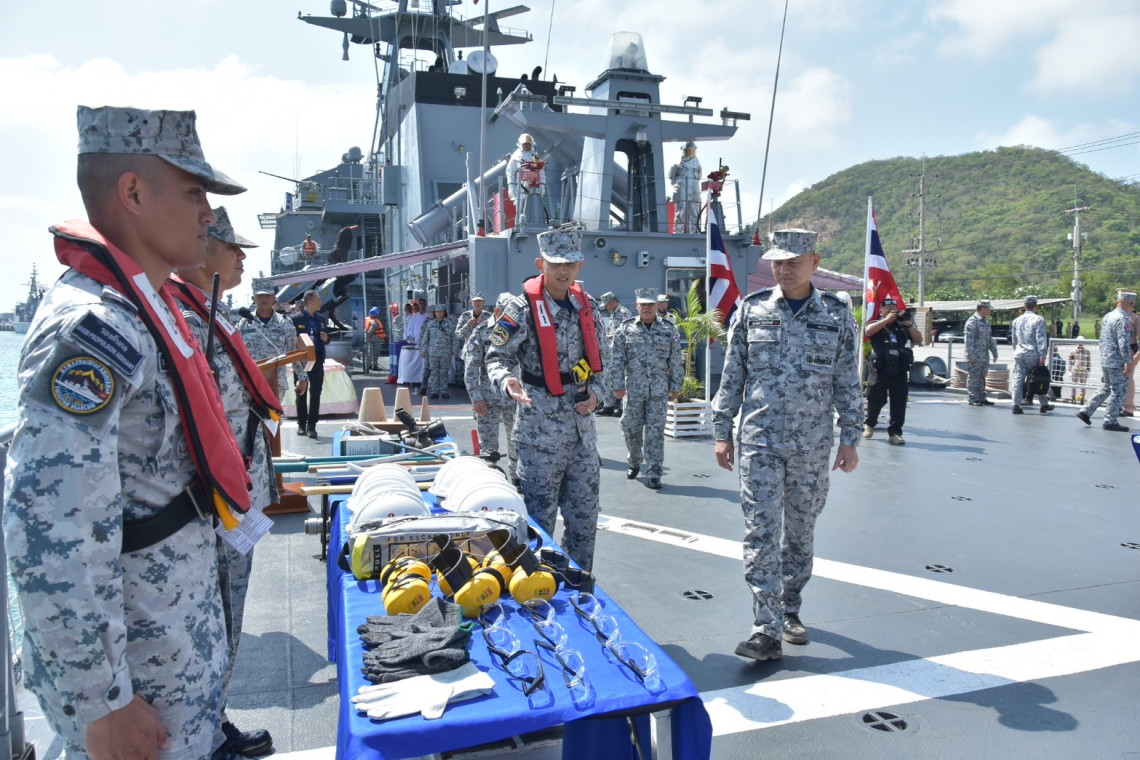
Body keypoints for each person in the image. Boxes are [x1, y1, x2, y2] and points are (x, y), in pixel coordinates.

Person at [3, 105, 253, 760]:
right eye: (194, 193)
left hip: (171, 645)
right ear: (134, 193)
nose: (209, 214)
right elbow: (51, 528)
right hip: (136, 680)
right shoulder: (94, 331)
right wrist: (100, 702)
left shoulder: (147, 310)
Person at [712, 228, 861, 662]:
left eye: (794, 262)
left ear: (814, 262)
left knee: (799, 532)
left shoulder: (837, 315)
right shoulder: (752, 309)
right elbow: (733, 374)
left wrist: (851, 438)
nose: (784, 269)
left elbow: (847, 381)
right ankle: (765, 627)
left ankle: (790, 608)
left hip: (812, 446)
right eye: (778, 262)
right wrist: (722, 431)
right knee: (760, 531)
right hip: (759, 440)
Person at [171, 207, 280, 758]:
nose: (241, 257)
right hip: (214, 507)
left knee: (226, 616)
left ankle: (213, 721)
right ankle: (208, 733)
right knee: (216, 619)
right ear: (201, 249)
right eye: (232, 247)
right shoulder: (186, 322)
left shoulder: (212, 316)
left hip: (236, 498)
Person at [485, 223, 607, 571]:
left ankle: (579, 584)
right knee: (539, 523)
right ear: (542, 265)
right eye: (555, 263)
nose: (563, 270)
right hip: (539, 433)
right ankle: (537, 587)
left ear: (579, 266)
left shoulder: (587, 306)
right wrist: (508, 381)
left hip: (582, 433)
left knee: (584, 521)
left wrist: (598, 393)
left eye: (570, 263)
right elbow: (495, 357)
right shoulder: (520, 308)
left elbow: (604, 359)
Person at [610, 287, 683, 489]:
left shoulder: (668, 329)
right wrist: (616, 385)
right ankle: (634, 460)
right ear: (637, 306)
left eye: (650, 304)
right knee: (630, 428)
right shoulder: (625, 329)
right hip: (633, 391)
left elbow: (675, 360)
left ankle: (654, 471)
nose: (647, 308)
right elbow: (616, 360)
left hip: (658, 391)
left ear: (657, 306)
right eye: (643, 304)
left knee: (655, 432)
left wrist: (676, 385)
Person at [463, 292, 518, 481]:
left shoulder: (520, 330)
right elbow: (470, 368)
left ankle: (517, 478)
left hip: (515, 398)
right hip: (488, 399)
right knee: (488, 446)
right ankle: (491, 480)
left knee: (518, 440)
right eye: (507, 313)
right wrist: (476, 397)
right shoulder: (481, 332)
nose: (512, 318)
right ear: (497, 311)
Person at [863, 297, 923, 444]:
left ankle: (895, 433)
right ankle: (870, 424)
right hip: (881, 370)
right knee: (875, 400)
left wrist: (908, 325)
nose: (892, 313)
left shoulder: (902, 326)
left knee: (899, 403)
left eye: (894, 311)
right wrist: (886, 320)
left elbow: (919, 339)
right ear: (881, 311)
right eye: (888, 310)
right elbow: (868, 332)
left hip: (899, 370)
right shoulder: (877, 324)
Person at [239, 279, 308, 399]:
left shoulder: (285, 323)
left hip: (276, 383)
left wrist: (302, 378)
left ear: (274, 298)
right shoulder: (244, 324)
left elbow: (293, 352)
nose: (264, 299)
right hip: (250, 381)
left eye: (267, 296)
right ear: (253, 298)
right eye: (260, 296)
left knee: (273, 412)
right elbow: (237, 353)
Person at [1077, 291, 1136, 431]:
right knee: (1119, 391)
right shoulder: (1124, 319)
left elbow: (1102, 339)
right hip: (1117, 361)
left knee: (1106, 387)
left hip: (1106, 358)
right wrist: (1128, 362)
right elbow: (1124, 343)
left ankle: (1086, 411)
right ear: (1131, 304)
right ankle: (1110, 420)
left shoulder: (1108, 316)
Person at [293, 289, 330, 437]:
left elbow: (328, 338)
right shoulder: (296, 319)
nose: (321, 302)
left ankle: (312, 425)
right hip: (301, 360)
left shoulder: (321, 319)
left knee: (316, 392)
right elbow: (291, 340)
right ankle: (301, 424)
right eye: (318, 300)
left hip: (318, 358)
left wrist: (326, 338)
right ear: (310, 302)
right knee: (301, 391)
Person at [1010, 295, 1053, 415]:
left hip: (1020, 353)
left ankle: (1015, 405)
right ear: (1036, 306)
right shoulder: (1038, 320)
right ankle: (1043, 404)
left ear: (1025, 306)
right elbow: (1041, 338)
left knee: (1018, 379)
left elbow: (1014, 339)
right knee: (1039, 377)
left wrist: (1016, 350)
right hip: (1033, 353)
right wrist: (1043, 354)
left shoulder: (1017, 320)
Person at [596, 290, 632, 416]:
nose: (606, 307)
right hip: (610, 352)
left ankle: (622, 407)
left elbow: (627, 332)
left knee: (622, 378)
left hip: (621, 352)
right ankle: (608, 406)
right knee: (608, 377)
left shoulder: (624, 313)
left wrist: (612, 337)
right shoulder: (612, 314)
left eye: (607, 304)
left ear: (613, 301)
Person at [505, 132, 546, 227]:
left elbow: (541, 172)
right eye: (525, 144)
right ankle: (519, 225)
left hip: (534, 186)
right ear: (521, 145)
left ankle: (535, 224)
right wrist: (511, 186)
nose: (527, 146)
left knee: (535, 206)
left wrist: (542, 185)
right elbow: (510, 172)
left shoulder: (535, 156)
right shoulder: (515, 157)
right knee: (520, 207)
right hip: (521, 186)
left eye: (528, 144)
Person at [964, 299, 999, 406]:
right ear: (983, 309)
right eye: (988, 309)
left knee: (982, 376)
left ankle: (981, 397)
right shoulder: (972, 322)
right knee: (974, 377)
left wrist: (994, 351)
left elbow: (989, 338)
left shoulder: (986, 321)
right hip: (975, 355)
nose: (990, 311)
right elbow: (969, 340)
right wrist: (970, 355)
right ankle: (973, 398)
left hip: (984, 355)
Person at [420, 304, 455, 399]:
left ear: (444, 312)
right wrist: (424, 350)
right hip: (433, 352)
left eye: (441, 311)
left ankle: (444, 391)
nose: (439, 313)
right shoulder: (430, 324)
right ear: (435, 313)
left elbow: (454, 338)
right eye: (437, 312)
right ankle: (434, 391)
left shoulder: (450, 324)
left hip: (445, 352)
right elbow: (426, 338)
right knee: (434, 372)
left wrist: (455, 351)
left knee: (444, 372)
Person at [668, 141, 702, 234]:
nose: (690, 153)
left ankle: (694, 232)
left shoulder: (697, 165)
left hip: (694, 191)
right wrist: (678, 185)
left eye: (692, 150)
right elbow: (671, 176)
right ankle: (678, 231)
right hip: (682, 190)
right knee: (681, 212)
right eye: (688, 151)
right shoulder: (677, 164)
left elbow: (699, 177)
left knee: (694, 212)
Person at [398, 294, 429, 394]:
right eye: (419, 303)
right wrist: (410, 338)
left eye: (422, 303)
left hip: (425, 343)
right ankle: (415, 379)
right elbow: (410, 329)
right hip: (415, 343)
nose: (421, 305)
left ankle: (424, 380)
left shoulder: (428, 316)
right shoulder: (414, 317)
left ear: (425, 304)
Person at [1121, 296, 1140, 417]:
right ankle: (1118, 404)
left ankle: (1128, 407)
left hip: (1130, 351)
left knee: (1128, 378)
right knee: (1118, 379)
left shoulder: (1135, 317)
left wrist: (1138, 354)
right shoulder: (1119, 316)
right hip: (1119, 351)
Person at [364, 305, 387, 372]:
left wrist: (367, 338)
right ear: (376, 314)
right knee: (375, 352)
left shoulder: (368, 319)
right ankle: (374, 365)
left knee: (370, 352)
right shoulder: (374, 322)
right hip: (375, 339)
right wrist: (368, 337)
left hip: (370, 339)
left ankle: (369, 364)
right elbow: (371, 331)